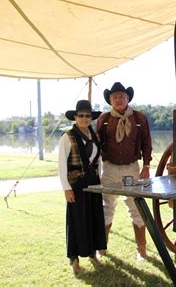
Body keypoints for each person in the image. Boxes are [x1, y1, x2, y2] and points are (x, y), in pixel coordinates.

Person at [97, 82, 152, 261]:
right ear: (110, 100)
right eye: (115, 97)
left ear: (128, 98)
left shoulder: (139, 118)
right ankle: (102, 247)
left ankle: (141, 249)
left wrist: (146, 165)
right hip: (110, 169)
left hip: (131, 169)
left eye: (122, 96)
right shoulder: (103, 119)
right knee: (107, 207)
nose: (119, 99)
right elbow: (96, 146)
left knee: (136, 206)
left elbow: (146, 142)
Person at [58, 100, 107, 274]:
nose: (85, 119)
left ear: (91, 118)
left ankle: (93, 254)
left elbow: (98, 161)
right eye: (81, 116)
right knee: (77, 220)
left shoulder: (95, 136)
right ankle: (74, 259)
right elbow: (61, 165)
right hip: (76, 184)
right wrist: (66, 188)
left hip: (94, 182)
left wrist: (100, 179)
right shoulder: (67, 136)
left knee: (94, 218)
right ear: (75, 117)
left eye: (88, 116)